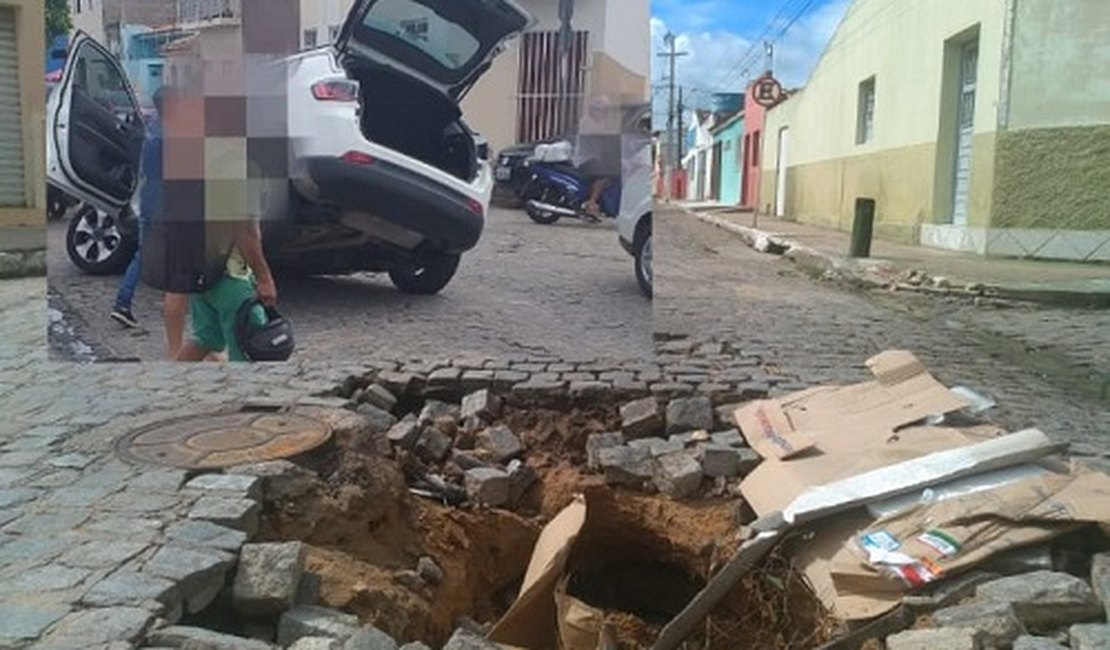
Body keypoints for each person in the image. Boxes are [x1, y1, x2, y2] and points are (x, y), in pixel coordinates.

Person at [109, 87, 195, 360]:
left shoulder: (153, 129)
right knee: (172, 259)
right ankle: (182, 314)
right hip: (166, 206)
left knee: (144, 255)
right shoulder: (170, 135)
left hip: (149, 201)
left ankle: (124, 303)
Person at [174, 219, 277, 363]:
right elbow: (245, 232)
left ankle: (170, 380)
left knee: (206, 339)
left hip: (204, 275)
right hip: (232, 276)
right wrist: (264, 278)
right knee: (245, 347)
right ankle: (242, 384)